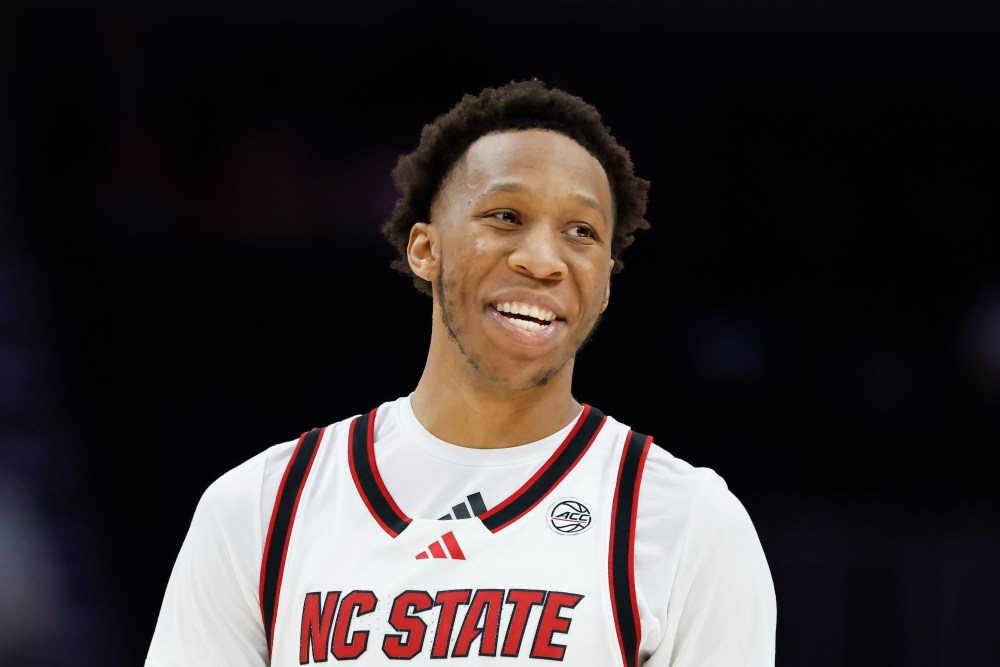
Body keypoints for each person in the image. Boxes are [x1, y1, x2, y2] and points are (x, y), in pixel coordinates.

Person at [144, 78, 777, 666]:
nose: (543, 260)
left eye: (581, 231)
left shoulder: (686, 523)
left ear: (606, 282)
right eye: (506, 217)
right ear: (425, 249)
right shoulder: (262, 508)